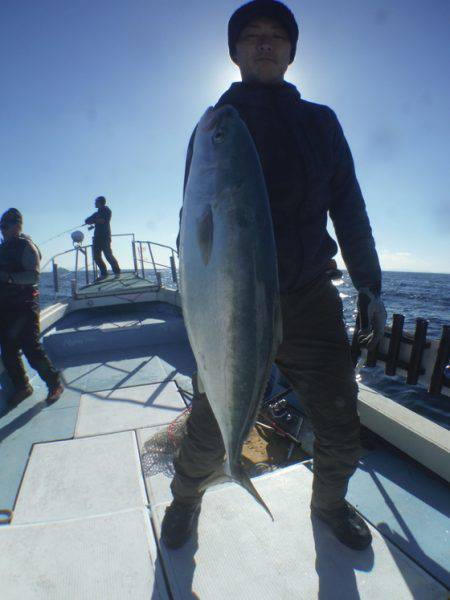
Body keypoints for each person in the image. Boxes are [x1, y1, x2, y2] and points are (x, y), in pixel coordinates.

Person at [162, 0, 387, 551]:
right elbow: (195, 223)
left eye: (276, 36)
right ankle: (187, 497)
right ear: (235, 52)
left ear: (291, 52)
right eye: (252, 35)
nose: (264, 42)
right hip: (233, 301)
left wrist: (370, 284)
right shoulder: (215, 125)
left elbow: (349, 208)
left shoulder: (320, 122)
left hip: (310, 295)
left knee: (339, 420)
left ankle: (329, 502)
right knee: (212, 422)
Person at [0, 208, 64, 407]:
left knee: (31, 348)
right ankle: (23, 387)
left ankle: (54, 384)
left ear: (17, 226)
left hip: (25, 306)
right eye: (0, 227)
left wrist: (9, 278)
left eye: (5, 227)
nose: (2, 231)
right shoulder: (3, 248)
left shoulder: (26, 246)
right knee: (8, 351)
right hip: (6, 307)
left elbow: (33, 276)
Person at [84, 196, 121, 279]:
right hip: (97, 237)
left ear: (100, 202)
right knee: (96, 257)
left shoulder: (107, 211)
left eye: (96, 202)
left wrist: (94, 220)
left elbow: (103, 220)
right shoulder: (96, 213)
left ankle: (117, 272)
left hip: (105, 237)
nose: (94, 203)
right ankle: (104, 273)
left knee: (108, 255)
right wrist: (94, 220)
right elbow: (86, 220)